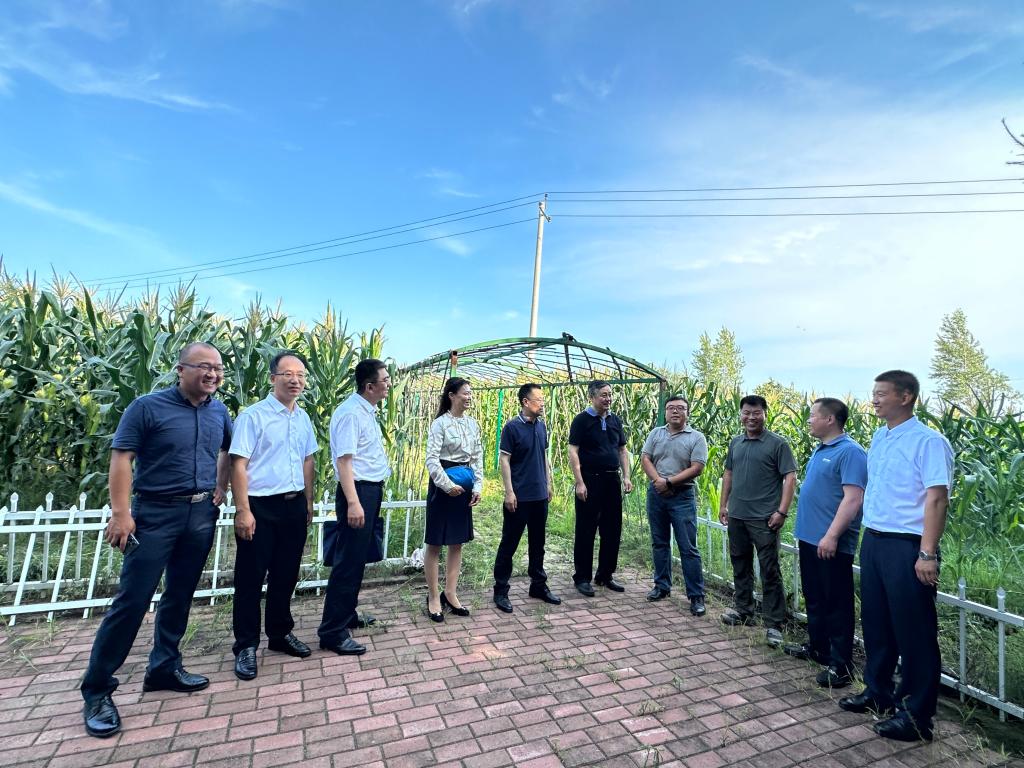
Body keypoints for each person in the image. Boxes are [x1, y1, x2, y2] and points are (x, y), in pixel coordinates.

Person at [80, 342, 232, 738]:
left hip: (200, 514)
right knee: (133, 600)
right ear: (180, 369)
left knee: (179, 595)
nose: (213, 374)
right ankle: (97, 689)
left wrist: (220, 486)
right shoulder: (147, 407)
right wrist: (121, 513)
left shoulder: (219, 411)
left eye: (218, 368)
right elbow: (121, 457)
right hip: (154, 515)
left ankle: (164, 666)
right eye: (204, 366)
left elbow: (227, 450)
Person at [839, 370, 953, 743]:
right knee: (877, 622)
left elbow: (937, 499)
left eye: (881, 394)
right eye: (873, 393)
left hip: (907, 544)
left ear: (905, 397)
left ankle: (917, 717)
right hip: (875, 539)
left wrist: (927, 553)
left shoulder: (928, 442)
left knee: (914, 631)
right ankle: (878, 692)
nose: (874, 399)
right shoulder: (880, 437)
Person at [229, 351, 318, 681]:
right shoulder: (253, 417)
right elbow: (238, 464)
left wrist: (308, 501)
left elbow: (308, 460)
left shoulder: (303, 418)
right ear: (272, 378)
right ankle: (246, 645)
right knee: (250, 578)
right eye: (288, 374)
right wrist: (243, 509)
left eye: (301, 375)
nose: (295, 380)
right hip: (260, 506)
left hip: (293, 505)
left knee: (286, 574)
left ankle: (280, 634)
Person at [784, 398, 866, 688]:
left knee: (836, 603)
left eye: (812, 415)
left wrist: (832, 535)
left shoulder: (851, 452)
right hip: (810, 538)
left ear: (830, 419)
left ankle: (841, 665)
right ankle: (818, 648)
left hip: (831, 542)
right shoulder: (821, 449)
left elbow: (853, 499)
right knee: (815, 597)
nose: (808, 420)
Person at [317, 359, 392, 656]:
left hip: (368, 490)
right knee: (348, 562)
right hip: (358, 491)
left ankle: (347, 615)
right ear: (369, 386)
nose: (389, 384)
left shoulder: (365, 411)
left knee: (357, 559)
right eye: (385, 380)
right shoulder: (350, 413)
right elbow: (344, 461)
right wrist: (353, 502)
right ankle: (332, 632)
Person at [718, 394, 797, 647]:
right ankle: (744, 611)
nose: (751, 417)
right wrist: (723, 505)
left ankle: (774, 623)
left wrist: (781, 511)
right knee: (740, 564)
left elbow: (790, 478)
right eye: (746, 413)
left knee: (769, 570)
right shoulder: (736, 442)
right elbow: (728, 474)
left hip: (764, 518)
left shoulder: (777, 444)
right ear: (741, 415)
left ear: (764, 414)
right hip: (737, 515)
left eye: (756, 413)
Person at [492, 383, 560, 613]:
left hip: (539, 496)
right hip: (519, 497)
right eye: (538, 399)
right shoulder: (512, 428)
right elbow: (504, 460)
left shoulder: (541, 426)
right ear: (525, 402)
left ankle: (538, 585)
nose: (542, 403)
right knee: (509, 544)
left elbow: (544, 456)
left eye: (543, 400)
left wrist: (548, 484)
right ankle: (501, 590)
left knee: (538, 545)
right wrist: (509, 491)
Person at [641, 395, 708, 616]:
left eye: (680, 408)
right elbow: (645, 458)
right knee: (659, 542)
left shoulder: (696, 437)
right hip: (656, 494)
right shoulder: (656, 433)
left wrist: (669, 482)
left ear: (688, 412)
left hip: (682, 495)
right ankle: (662, 586)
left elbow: (697, 468)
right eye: (671, 408)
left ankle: (696, 596)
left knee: (688, 547)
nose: (675, 411)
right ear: (665, 412)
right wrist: (659, 482)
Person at [423, 377, 483, 621]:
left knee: (457, 541)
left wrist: (477, 486)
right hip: (443, 484)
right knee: (435, 542)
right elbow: (431, 459)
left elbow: (477, 457)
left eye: (470, 393)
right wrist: (447, 485)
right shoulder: (440, 424)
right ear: (451, 395)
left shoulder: (472, 424)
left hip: (464, 483)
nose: (469, 397)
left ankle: (450, 593)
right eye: (465, 393)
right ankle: (433, 596)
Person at [568, 380, 633, 596]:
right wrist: (579, 482)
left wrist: (626, 476)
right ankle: (582, 578)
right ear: (592, 397)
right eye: (604, 395)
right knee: (586, 530)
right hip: (590, 480)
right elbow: (573, 451)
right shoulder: (581, 420)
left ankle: (605, 575)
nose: (608, 399)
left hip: (612, 480)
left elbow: (622, 450)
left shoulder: (615, 420)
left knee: (612, 529)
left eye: (610, 394)